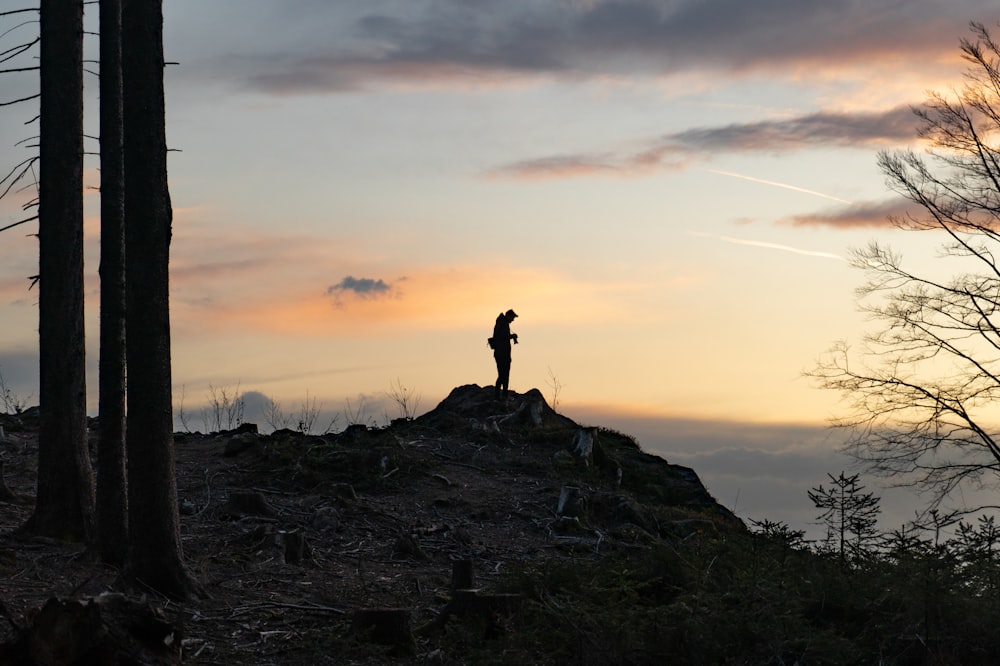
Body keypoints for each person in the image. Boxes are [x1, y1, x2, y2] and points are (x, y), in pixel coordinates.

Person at [491, 309, 518, 400]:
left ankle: (501, 395)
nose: (513, 320)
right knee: (503, 375)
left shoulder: (501, 323)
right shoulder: (503, 324)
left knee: (503, 375)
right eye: (512, 318)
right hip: (502, 353)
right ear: (508, 316)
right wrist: (512, 336)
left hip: (502, 353)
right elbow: (502, 337)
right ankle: (500, 396)